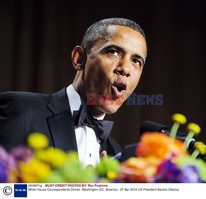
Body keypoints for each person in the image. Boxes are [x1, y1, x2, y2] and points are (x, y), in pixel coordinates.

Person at [0, 18, 147, 167]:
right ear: (79, 58)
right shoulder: (21, 110)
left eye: (136, 61)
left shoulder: (116, 156)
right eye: (113, 52)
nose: (126, 69)